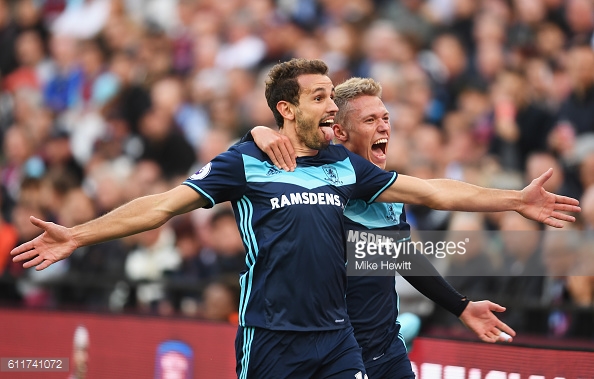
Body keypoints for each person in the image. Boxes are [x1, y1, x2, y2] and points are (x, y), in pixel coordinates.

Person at [11, 59, 580, 378]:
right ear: (288, 109)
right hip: (272, 338)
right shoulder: (246, 162)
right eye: (320, 98)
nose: (330, 106)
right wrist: (79, 234)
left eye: (333, 96)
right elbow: (160, 206)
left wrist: (513, 200)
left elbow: (432, 193)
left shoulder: (345, 168)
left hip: (340, 343)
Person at [245, 77, 531, 378]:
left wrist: (459, 306)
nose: (383, 127)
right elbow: (262, 156)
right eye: (370, 120)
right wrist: (255, 133)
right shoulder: (313, 186)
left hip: (386, 352)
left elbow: (402, 254)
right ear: (339, 131)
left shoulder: (388, 191)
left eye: (385, 118)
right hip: (332, 355)